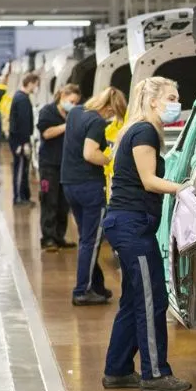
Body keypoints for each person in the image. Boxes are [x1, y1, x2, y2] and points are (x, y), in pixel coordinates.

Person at [101, 77, 191, 391]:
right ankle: (154, 373)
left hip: (129, 224)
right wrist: (185, 189)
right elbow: (149, 180)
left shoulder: (140, 130)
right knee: (153, 299)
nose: (176, 103)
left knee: (133, 299)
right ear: (153, 101)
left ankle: (117, 370)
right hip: (132, 225)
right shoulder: (144, 131)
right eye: (171, 98)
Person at [62, 86, 127, 306]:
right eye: (112, 113)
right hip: (89, 187)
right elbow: (90, 153)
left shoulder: (75, 112)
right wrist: (109, 159)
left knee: (87, 238)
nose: (110, 118)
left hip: (69, 184)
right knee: (91, 241)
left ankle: (96, 285)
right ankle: (82, 291)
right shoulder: (97, 121)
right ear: (109, 107)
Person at [37, 83, 81, 251]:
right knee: (49, 200)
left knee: (64, 203)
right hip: (49, 165)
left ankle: (59, 236)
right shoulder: (47, 112)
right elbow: (46, 133)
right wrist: (67, 125)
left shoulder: (72, 113)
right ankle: (48, 238)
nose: (73, 105)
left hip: (66, 166)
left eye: (76, 102)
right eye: (71, 101)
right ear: (62, 96)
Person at [9, 72, 40, 206]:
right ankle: (18, 198)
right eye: (36, 85)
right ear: (30, 83)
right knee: (20, 169)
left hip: (20, 140)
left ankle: (24, 197)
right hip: (20, 142)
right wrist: (23, 143)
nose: (36, 88)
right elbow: (21, 123)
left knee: (23, 169)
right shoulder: (22, 99)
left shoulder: (21, 97)